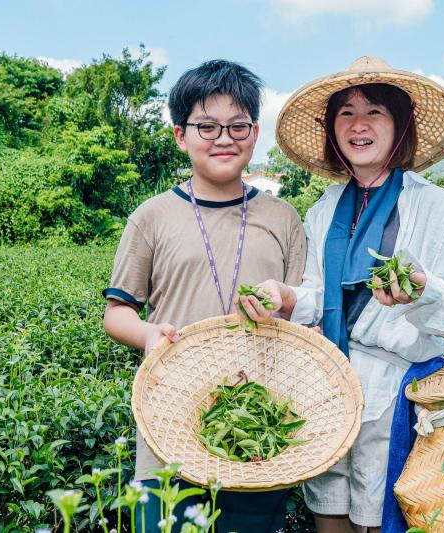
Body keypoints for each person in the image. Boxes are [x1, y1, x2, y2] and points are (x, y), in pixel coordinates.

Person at [238, 56, 444, 533]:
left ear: (400, 123)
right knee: (328, 512)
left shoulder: (435, 208)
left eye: (374, 111)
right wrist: (284, 297)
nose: (358, 124)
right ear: (332, 129)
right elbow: (320, 298)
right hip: (328, 386)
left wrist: (421, 290)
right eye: (345, 113)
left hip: (394, 394)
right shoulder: (325, 208)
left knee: (380, 519)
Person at [102, 59, 306, 533]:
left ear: (255, 134)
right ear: (181, 135)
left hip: (258, 433)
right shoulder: (151, 217)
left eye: (237, 126)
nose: (223, 138)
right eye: (207, 126)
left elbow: (302, 308)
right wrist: (149, 334)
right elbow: (117, 313)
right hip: (169, 425)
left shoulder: (282, 218)